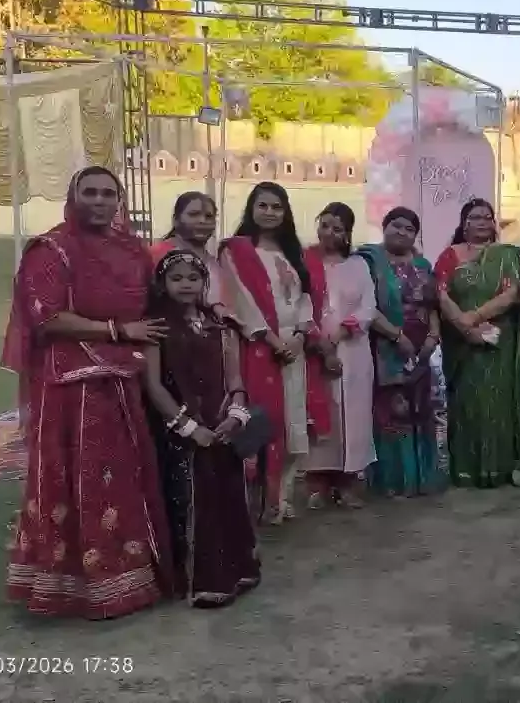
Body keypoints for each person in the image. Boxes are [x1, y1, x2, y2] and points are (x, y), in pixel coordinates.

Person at [3, 166, 172, 619]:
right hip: (70, 386)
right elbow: (46, 317)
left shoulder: (131, 250)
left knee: (123, 477)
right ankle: (79, 586)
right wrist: (118, 330)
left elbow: (153, 305)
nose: (99, 201)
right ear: (73, 197)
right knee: (78, 479)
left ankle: (128, 576)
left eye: (108, 193)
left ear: (119, 200)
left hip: (122, 380)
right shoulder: (51, 249)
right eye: (90, 192)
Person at [141, 250, 260, 607]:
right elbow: (153, 386)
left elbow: (235, 378)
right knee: (194, 499)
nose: (185, 285)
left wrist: (236, 415)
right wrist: (190, 428)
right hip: (181, 431)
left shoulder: (218, 324)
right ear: (162, 283)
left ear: (204, 282)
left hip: (222, 425)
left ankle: (237, 571)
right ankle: (200, 580)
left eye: (193, 278)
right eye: (176, 278)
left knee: (229, 494)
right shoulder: (156, 326)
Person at [220, 182, 336, 525]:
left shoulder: (293, 252)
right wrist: (272, 340)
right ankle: (258, 503)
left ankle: (281, 499)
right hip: (259, 346)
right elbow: (240, 300)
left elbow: (305, 299)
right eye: (263, 206)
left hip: (293, 349)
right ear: (251, 209)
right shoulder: (236, 251)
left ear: (285, 213)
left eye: (276, 207)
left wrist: (299, 336)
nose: (269, 213)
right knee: (263, 421)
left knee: (292, 421)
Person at [440, 201, 520, 488]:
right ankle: (466, 469)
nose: (482, 221)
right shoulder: (451, 254)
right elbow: (440, 294)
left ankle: (498, 469)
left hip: (499, 341)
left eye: (487, 217)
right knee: (467, 404)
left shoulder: (507, 255)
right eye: (474, 217)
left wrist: (475, 317)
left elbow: (512, 293)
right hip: (462, 344)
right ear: (464, 223)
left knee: (497, 404)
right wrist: (465, 327)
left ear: (494, 223)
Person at [359, 207, 443, 496]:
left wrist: (433, 336)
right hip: (384, 346)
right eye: (396, 225)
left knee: (420, 410)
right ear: (384, 227)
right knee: (391, 412)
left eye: (409, 229)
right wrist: (396, 336)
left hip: (421, 350)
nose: (402, 232)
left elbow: (432, 305)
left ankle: (421, 479)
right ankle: (392, 481)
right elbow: (365, 307)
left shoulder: (422, 265)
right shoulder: (368, 261)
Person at [303, 203, 378, 508]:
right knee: (321, 413)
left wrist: (340, 334)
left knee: (353, 416)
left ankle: (347, 485)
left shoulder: (358, 265)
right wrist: (320, 343)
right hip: (312, 349)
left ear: (347, 234)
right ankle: (319, 485)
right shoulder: (304, 262)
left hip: (353, 351)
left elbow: (368, 306)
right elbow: (298, 303)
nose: (329, 233)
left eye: (337, 228)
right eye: (325, 225)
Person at [151, 191, 233, 321]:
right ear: (176, 220)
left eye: (209, 216)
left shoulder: (214, 264)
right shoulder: (156, 254)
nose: (202, 221)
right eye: (194, 214)